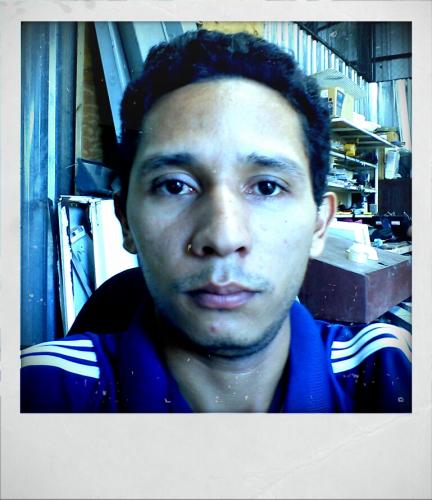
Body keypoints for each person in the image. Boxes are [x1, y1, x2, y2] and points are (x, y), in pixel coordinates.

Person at [21, 29, 411, 413]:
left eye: (267, 187)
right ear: (124, 220)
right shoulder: (36, 394)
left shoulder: (396, 378)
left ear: (319, 224)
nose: (223, 237)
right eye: (175, 186)